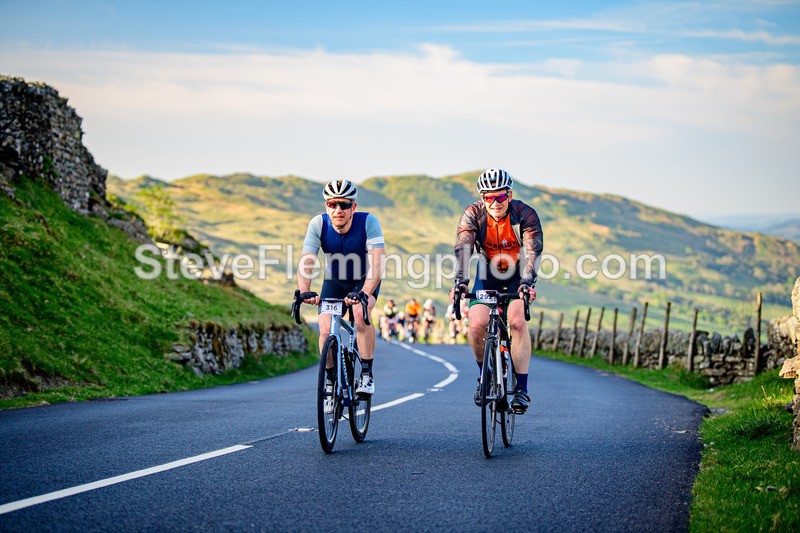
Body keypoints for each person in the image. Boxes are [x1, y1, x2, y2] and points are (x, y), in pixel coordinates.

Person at [450, 168, 543, 413]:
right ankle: (485, 375)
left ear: (509, 195)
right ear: (482, 198)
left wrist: (527, 284)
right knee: (476, 324)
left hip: (518, 274)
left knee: (517, 322)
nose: (495, 202)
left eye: (500, 196)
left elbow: (533, 252)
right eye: (489, 197)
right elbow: (463, 249)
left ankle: (521, 389)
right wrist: (460, 282)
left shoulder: (525, 214)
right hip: (487, 273)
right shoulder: (473, 214)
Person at [296, 179, 385, 396]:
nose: (338, 210)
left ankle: (366, 374)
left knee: (360, 314)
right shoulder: (318, 224)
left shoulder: (368, 222)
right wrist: (305, 290)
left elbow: (377, 264)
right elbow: (307, 260)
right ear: (326, 206)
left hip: (364, 281)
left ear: (353, 207)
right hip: (334, 281)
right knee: (325, 329)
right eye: (332, 204)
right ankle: (329, 381)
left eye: (344, 204)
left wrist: (364, 292)